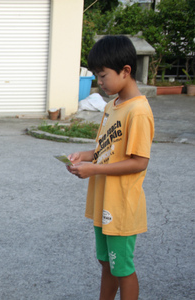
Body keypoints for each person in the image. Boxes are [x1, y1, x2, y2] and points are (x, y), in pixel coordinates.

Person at [67, 35, 154, 300]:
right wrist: (85, 155)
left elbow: (139, 162)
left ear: (126, 71)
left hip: (122, 205)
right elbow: (107, 151)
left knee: (122, 268)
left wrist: (93, 170)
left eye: (103, 76)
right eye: (96, 76)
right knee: (106, 263)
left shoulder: (138, 111)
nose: (99, 83)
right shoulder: (111, 106)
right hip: (103, 202)